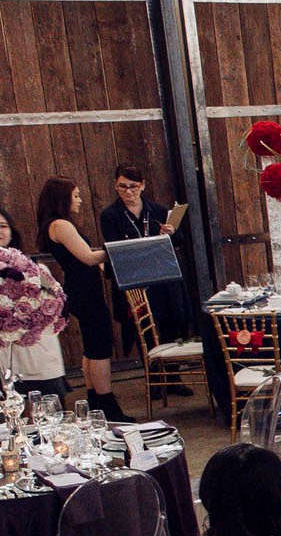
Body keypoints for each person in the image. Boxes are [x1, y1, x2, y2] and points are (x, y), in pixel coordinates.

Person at [35, 175, 129, 420]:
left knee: (92, 345)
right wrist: (120, 250)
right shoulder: (61, 225)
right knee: (100, 347)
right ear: (62, 197)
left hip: (82, 288)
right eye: (75, 195)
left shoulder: (55, 224)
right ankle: (107, 404)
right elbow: (87, 257)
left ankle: (95, 399)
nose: (79, 200)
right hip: (84, 291)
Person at [0, 205, 69, 399]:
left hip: (34, 360)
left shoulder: (34, 269)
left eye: (3, 226)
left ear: (11, 233)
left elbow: (56, 305)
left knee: (45, 413)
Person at [98, 162, 189, 345]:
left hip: (162, 279)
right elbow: (116, 248)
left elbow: (179, 240)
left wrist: (171, 232)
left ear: (142, 185)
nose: (128, 191)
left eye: (133, 186)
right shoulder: (110, 215)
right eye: (123, 186)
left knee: (171, 328)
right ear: (115, 186)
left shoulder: (158, 211)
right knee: (142, 332)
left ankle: (174, 362)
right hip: (135, 281)